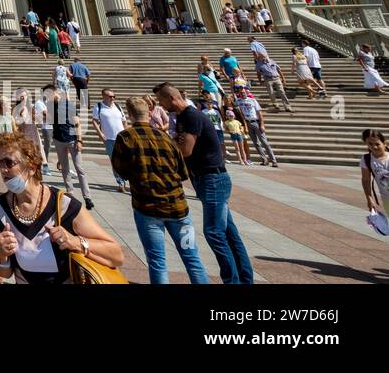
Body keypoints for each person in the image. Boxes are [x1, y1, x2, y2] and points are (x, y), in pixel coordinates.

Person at [0, 130, 124, 283]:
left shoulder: (63, 205)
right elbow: (5, 273)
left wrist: (74, 241)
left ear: (31, 167)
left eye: (9, 162)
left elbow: (116, 254)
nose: (2, 170)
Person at [155, 82, 253, 284]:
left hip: (212, 179)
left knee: (214, 233)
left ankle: (232, 281)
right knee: (229, 233)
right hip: (207, 178)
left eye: (161, 100)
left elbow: (185, 151)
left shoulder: (191, 116)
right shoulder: (184, 117)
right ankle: (244, 279)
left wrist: (167, 143)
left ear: (172, 98)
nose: (161, 105)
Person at [109, 97, 211, 284]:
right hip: (179, 208)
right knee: (192, 258)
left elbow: (120, 171)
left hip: (148, 208)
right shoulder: (166, 138)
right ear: (149, 113)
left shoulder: (125, 137)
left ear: (129, 114)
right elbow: (182, 173)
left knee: (157, 261)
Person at [50, 89, 94, 209]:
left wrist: (79, 140)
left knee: (79, 168)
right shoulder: (51, 107)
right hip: (58, 140)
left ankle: (87, 197)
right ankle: (70, 193)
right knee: (65, 168)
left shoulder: (69, 105)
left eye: (56, 93)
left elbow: (77, 124)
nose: (54, 95)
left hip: (72, 140)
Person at [90, 89, 129, 192]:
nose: (112, 98)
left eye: (114, 96)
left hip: (122, 138)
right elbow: (94, 121)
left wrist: (128, 133)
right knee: (114, 160)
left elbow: (124, 122)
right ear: (104, 96)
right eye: (110, 96)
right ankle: (121, 183)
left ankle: (127, 179)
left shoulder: (118, 107)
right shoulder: (98, 107)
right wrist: (100, 133)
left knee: (126, 160)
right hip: (109, 138)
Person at [234, 93, 278, 167]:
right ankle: (264, 159)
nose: (242, 94)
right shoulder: (238, 101)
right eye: (241, 93)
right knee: (256, 143)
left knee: (264, 142)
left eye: (243, 92)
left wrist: (262, 124)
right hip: (247, 123)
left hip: (255, 122)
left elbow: (259, 112)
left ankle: (273, 160)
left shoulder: (252, 100)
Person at [359, 129, 389, 218]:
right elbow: (366, 180)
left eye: (377, 144)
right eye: (370, 144)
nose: (374, 147)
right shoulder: (366, 159)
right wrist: (369, 198)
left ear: (384, 143)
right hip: (387, 199)